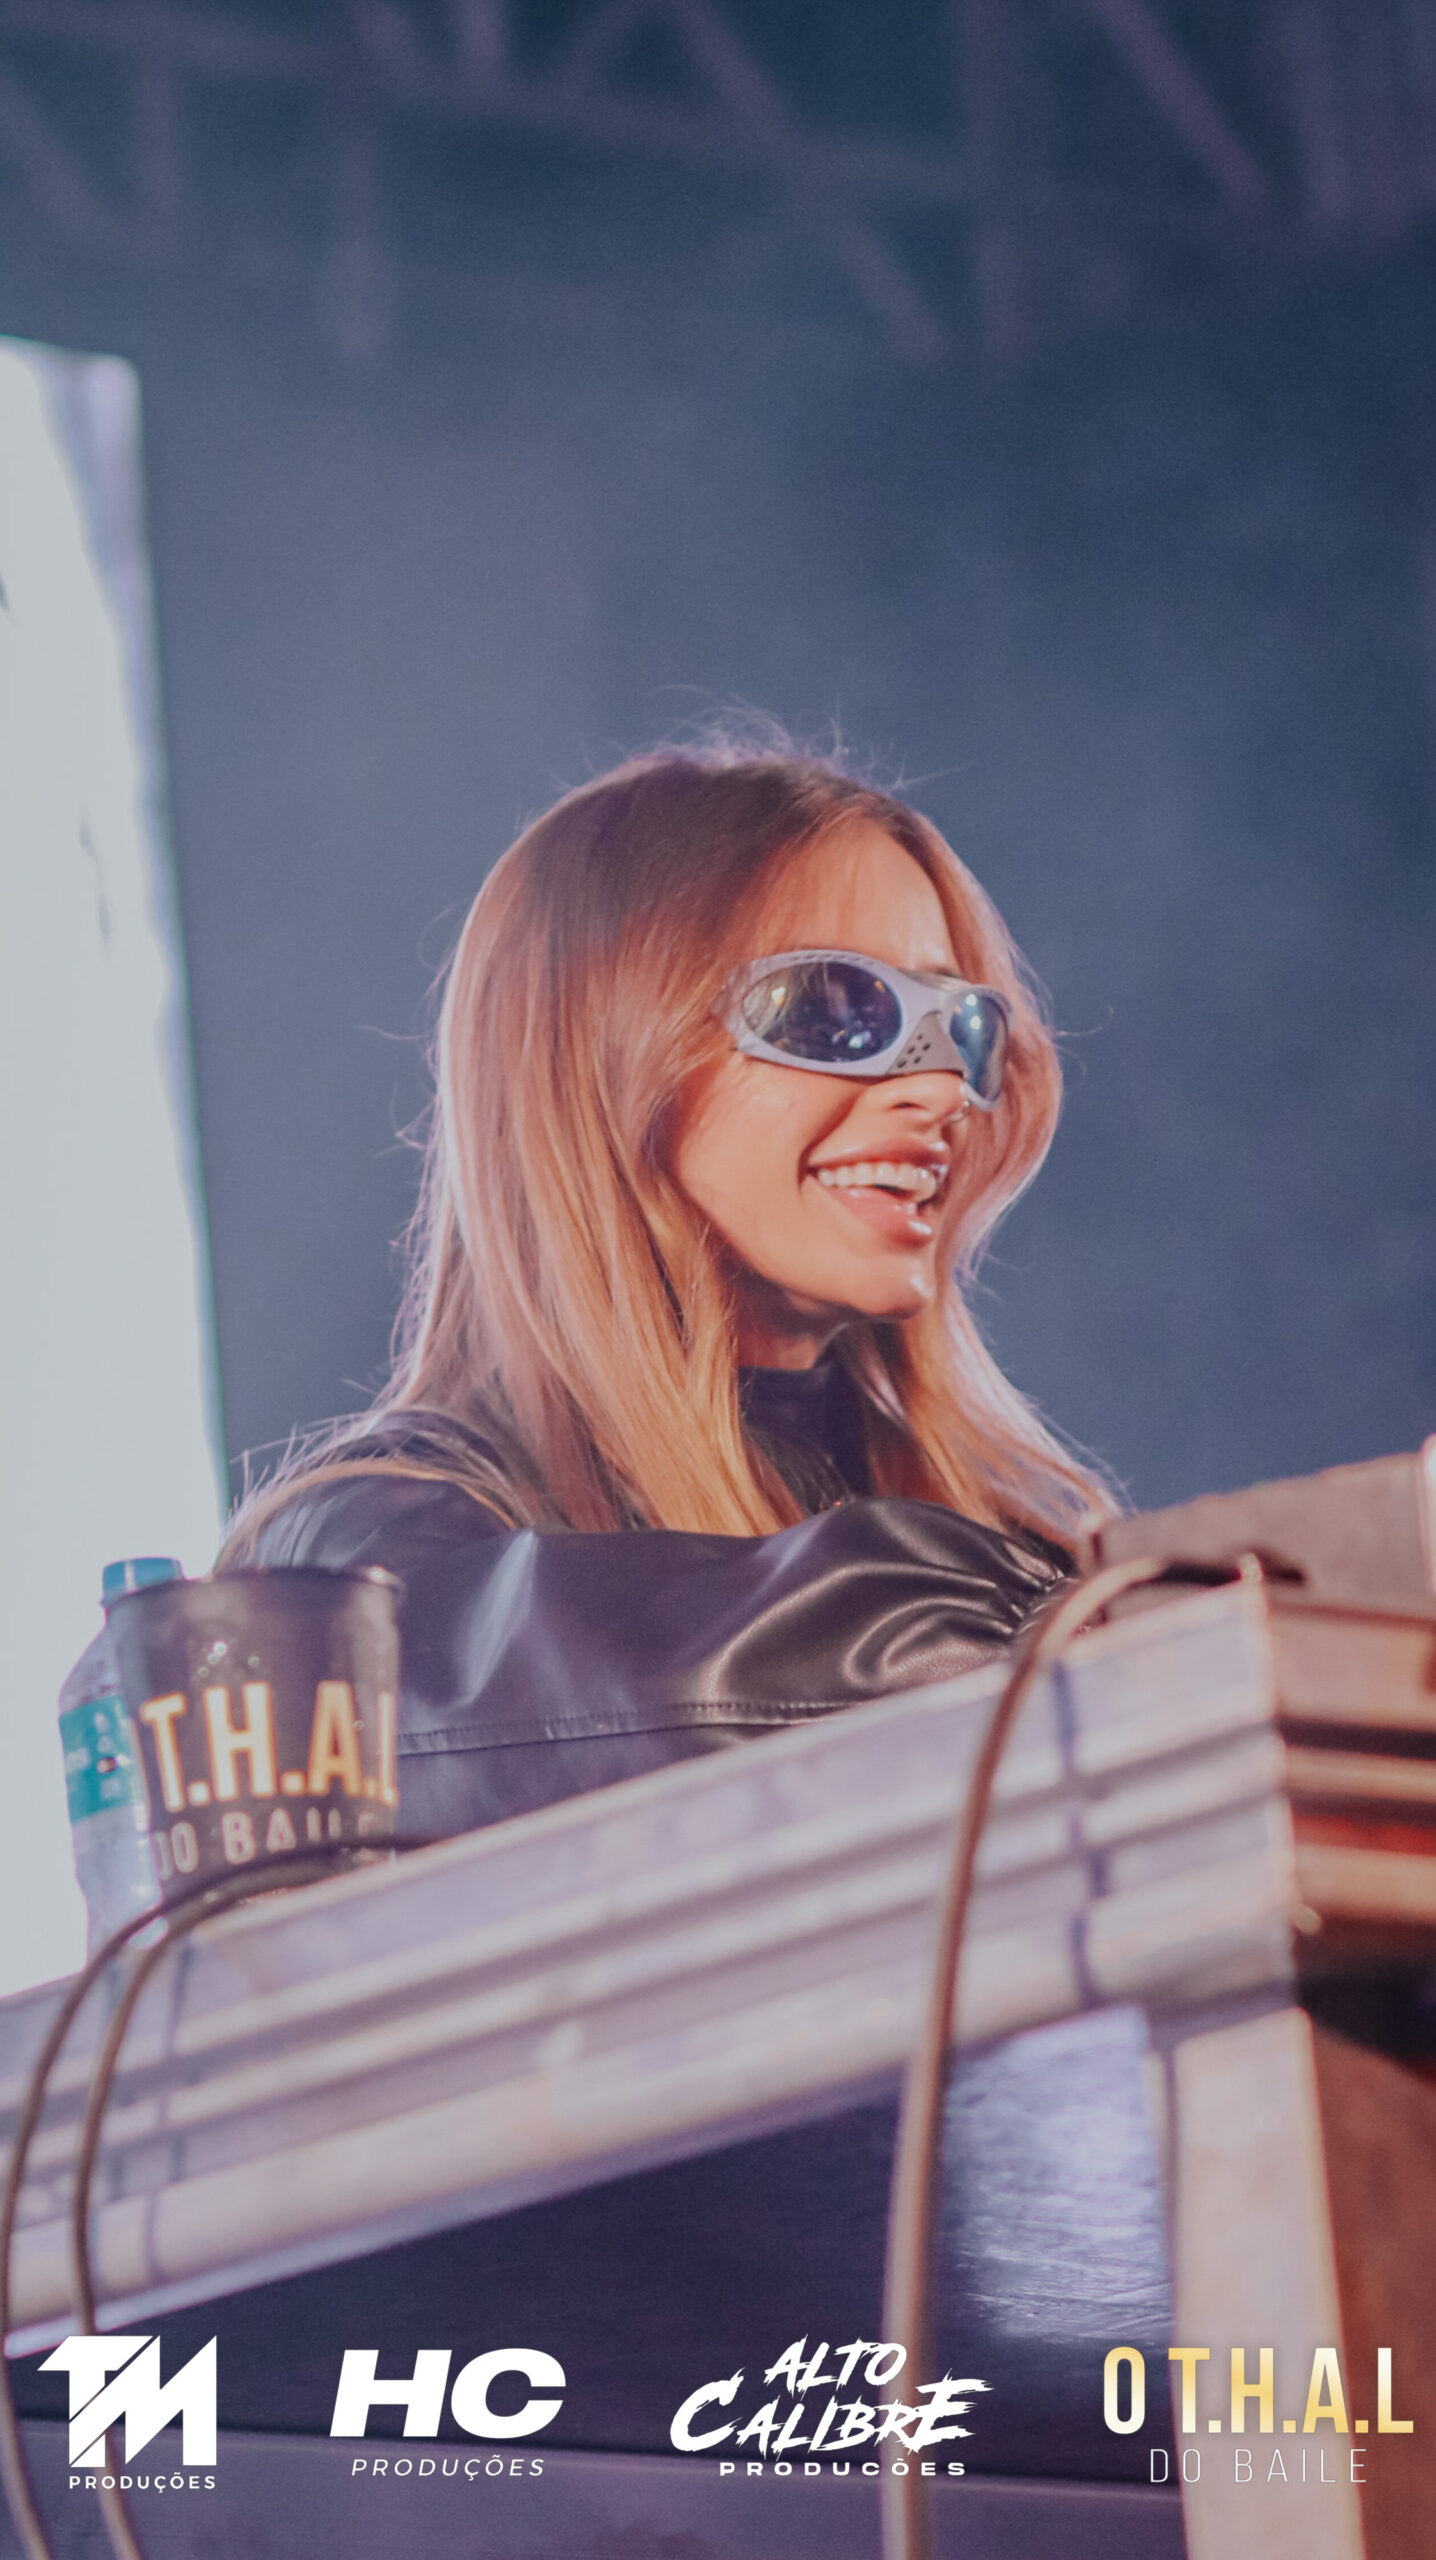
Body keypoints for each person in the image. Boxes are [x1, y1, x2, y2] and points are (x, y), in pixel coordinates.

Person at [224, 742, 1113, 1839]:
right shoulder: (367, 1550)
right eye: (835, 1010)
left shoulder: (1005, 1542)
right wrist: (1077, 1635)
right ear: (601, 1052)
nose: (937, 1091)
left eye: (959, 1029)